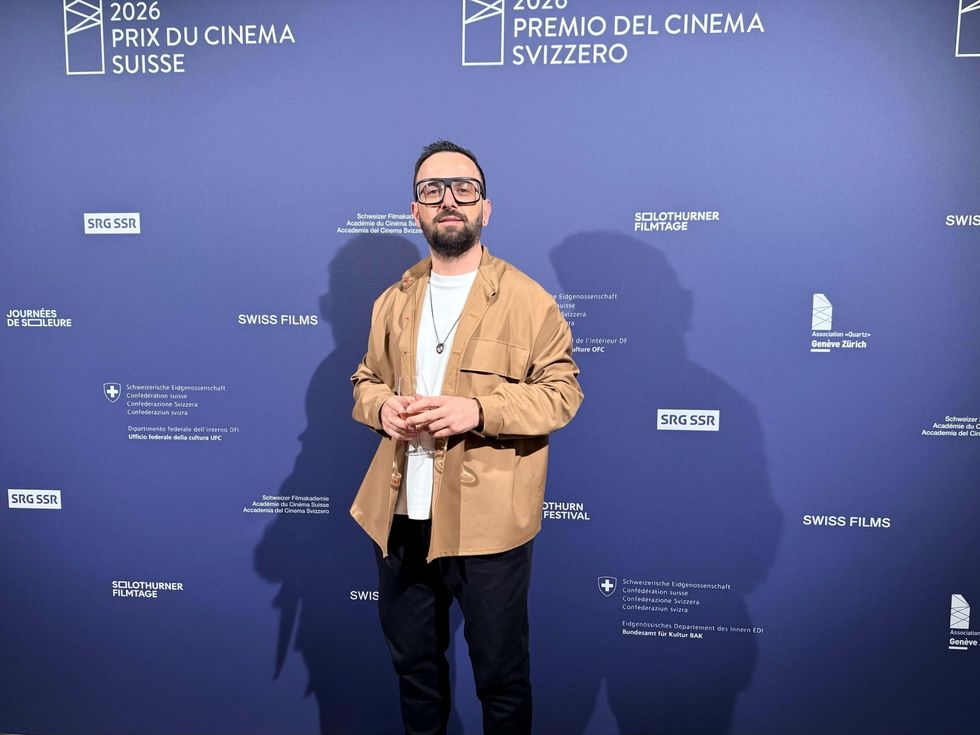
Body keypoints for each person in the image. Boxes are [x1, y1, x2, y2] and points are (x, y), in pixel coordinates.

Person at [350, 140, 583, 735]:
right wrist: (382, 410)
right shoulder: (392, 300)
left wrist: (478, 410)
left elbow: (562, 393)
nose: (448, 200)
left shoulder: (530, 301)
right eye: (432, 190)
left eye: (464, 188)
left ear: (486, 207)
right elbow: (366, 379)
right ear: (415, 211)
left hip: (488, 525)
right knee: (415, 675)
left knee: (501, 682)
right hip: (399, 517)